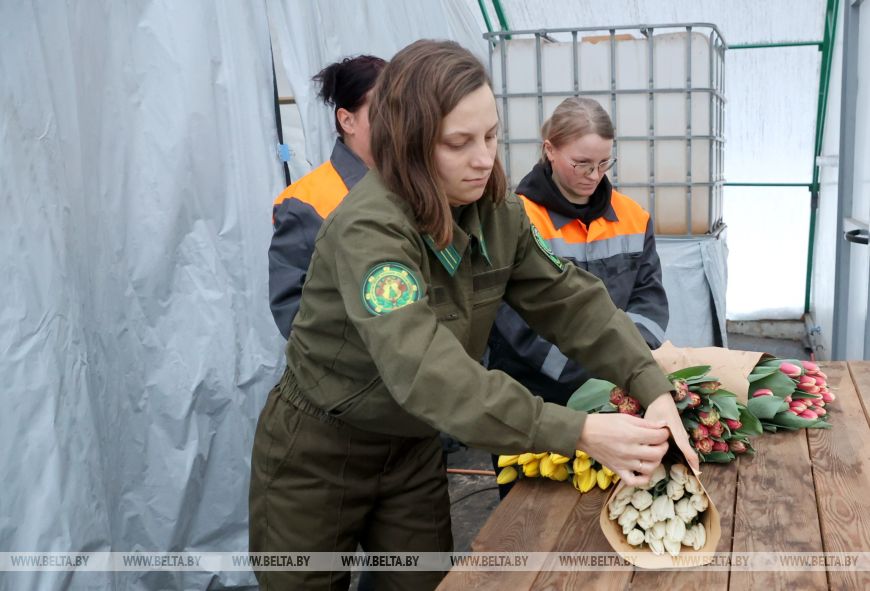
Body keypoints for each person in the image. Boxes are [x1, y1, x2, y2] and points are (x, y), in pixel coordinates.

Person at [249, 40, 697, 591]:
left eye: (490, 135)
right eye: (458, 143)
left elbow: (569, 299)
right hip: (319, 452)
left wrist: (647, 382)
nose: (484, 158)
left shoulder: (495, 211)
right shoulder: (370, 230)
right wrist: (578, 431)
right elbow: (428, 370)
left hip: (412, 449)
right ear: (409, 144)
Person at [486, 97, 670, 496]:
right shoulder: (515, 217)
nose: (594, 175)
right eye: (582, 163)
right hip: (535, 399)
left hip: (616, 395)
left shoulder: (633, 217)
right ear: (549, 149)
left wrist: (627, 362)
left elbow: (650, 300)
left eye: (604, 164)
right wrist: (593, 373)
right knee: (530, 515)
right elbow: (510, 317)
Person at [269, 54, 386, 339]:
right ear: (347, 120)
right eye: (384, 110)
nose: (399, 121)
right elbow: (294, 312)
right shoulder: (304, 203)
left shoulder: (415, 184)